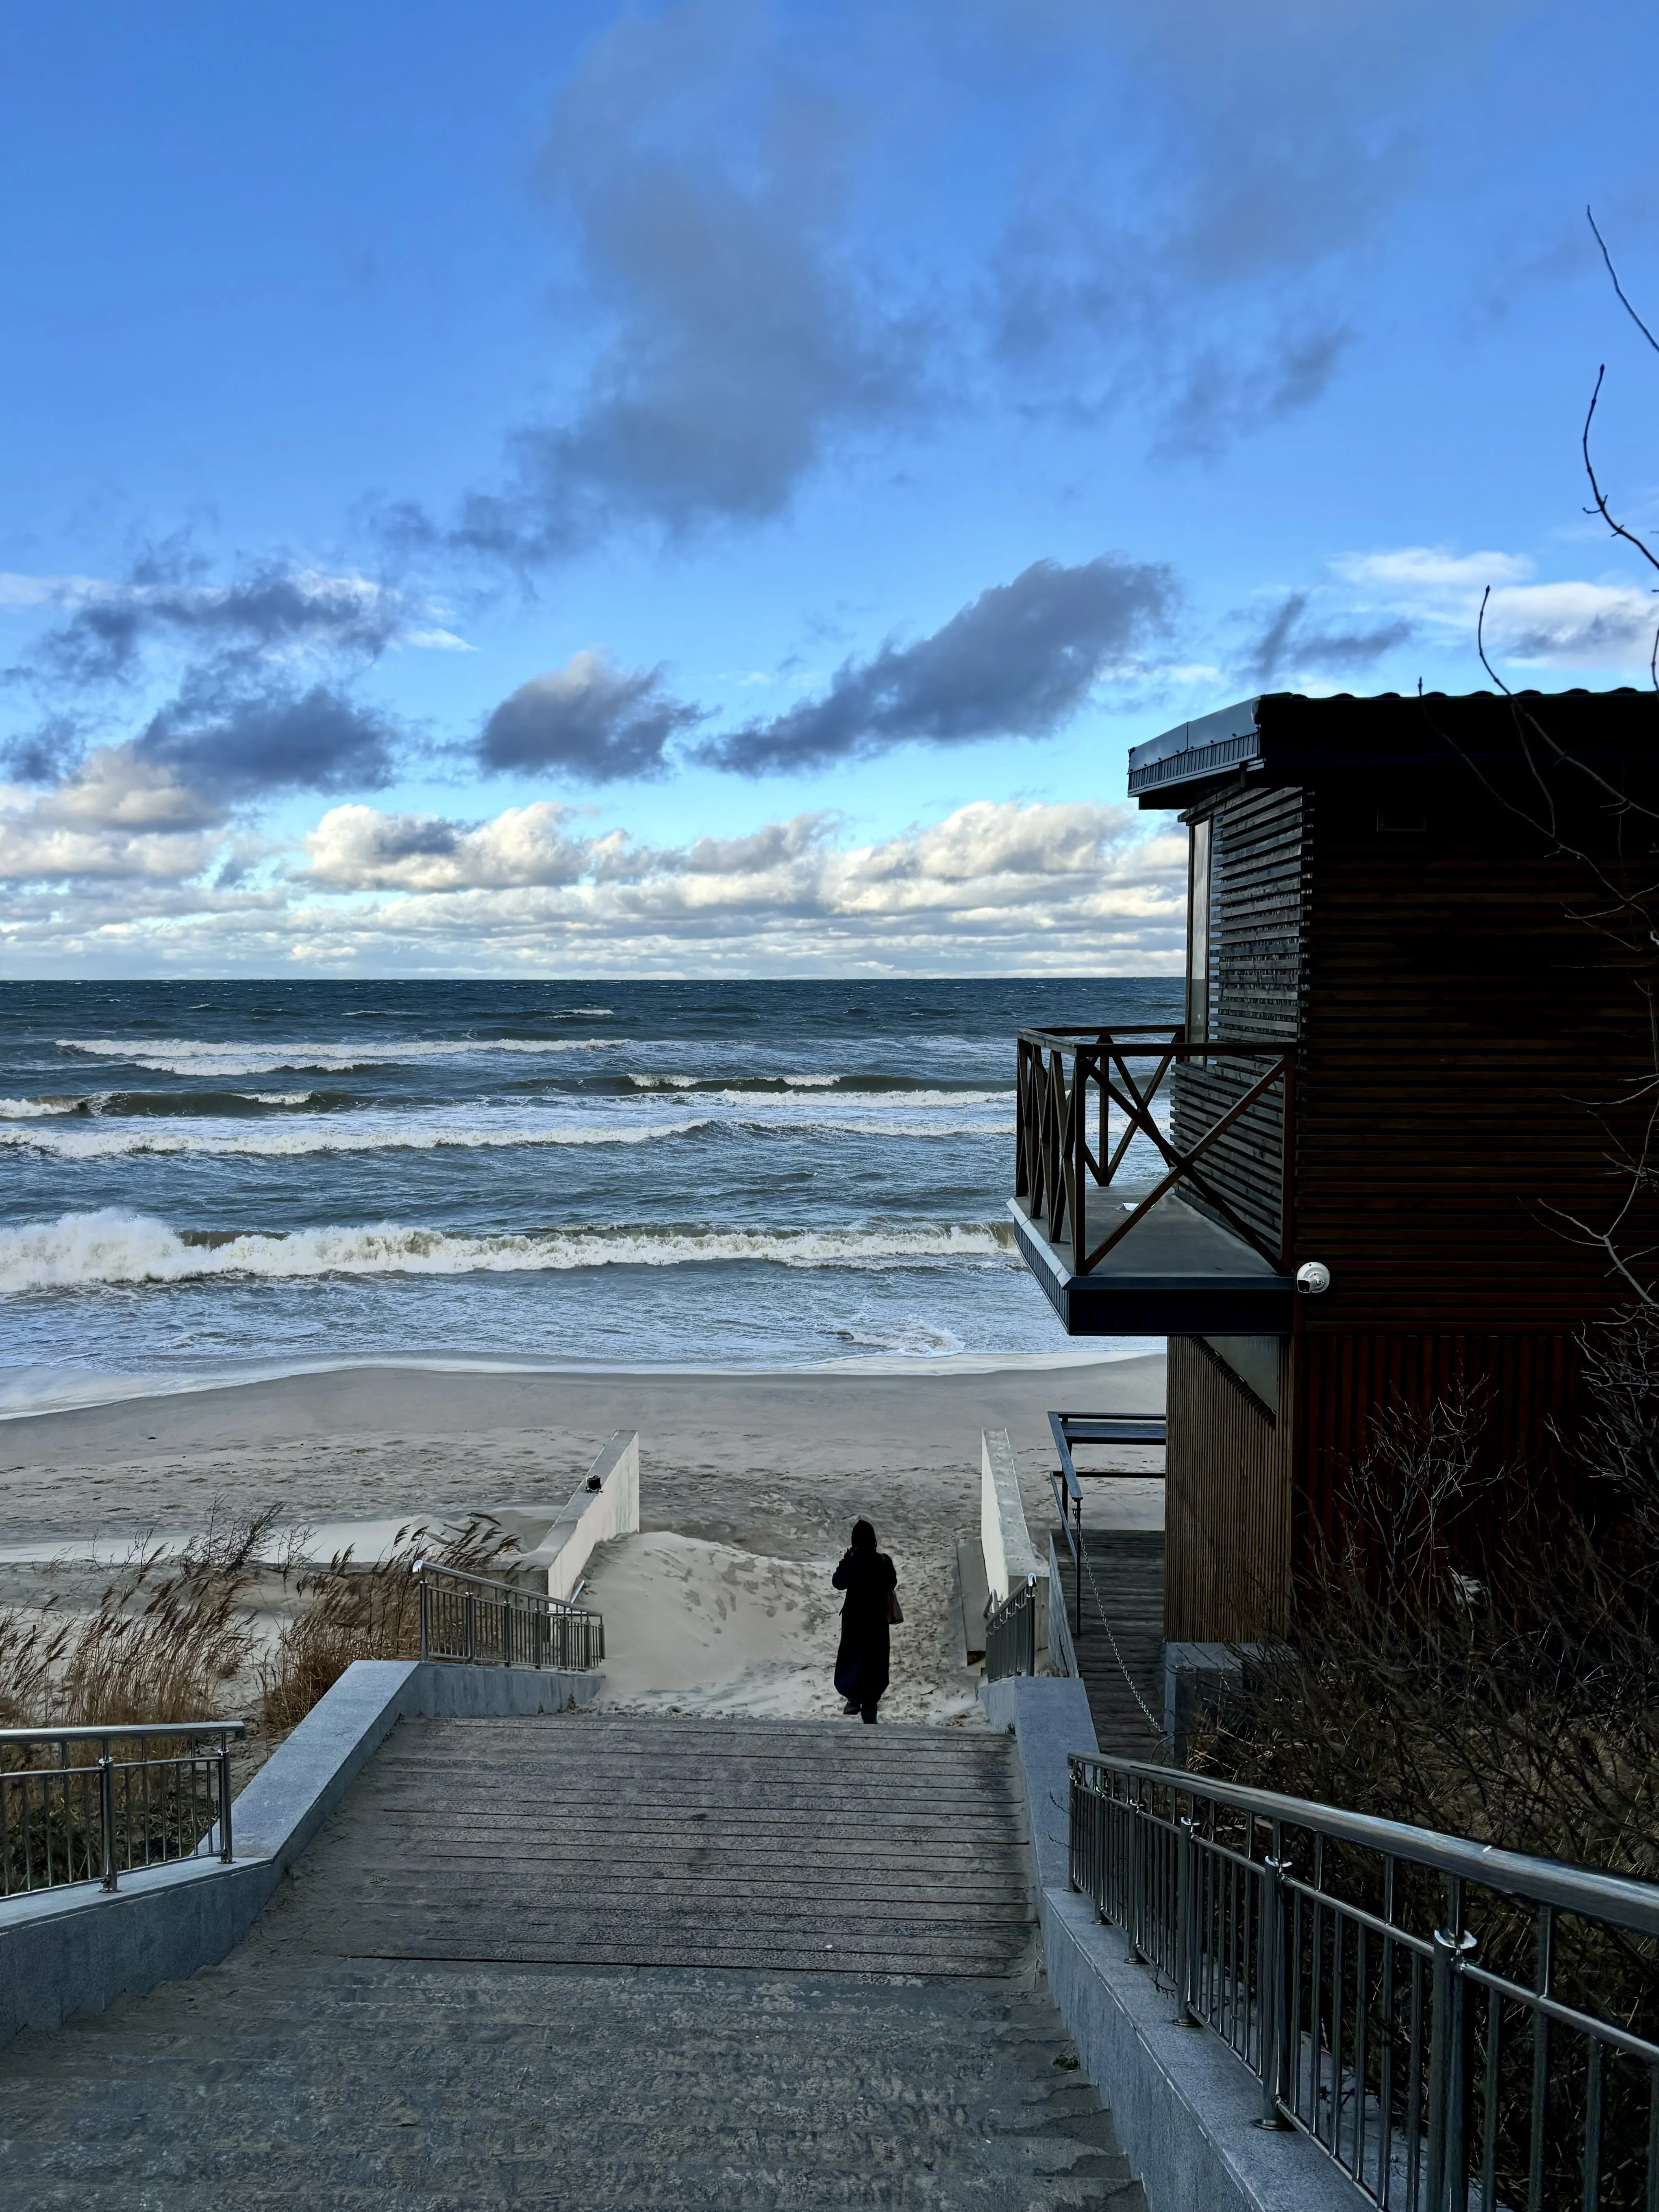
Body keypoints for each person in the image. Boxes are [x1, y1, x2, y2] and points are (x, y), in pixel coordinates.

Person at [831, 1518, 898, 1724]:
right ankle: (870, 1705)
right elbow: (892, 1581)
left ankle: (854, 1696)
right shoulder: (883, 1561)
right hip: (878, 1621)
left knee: (853, 1658)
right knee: (875, 1662)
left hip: (855, 1621)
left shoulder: (854, 1561)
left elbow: (839, 1582)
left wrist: (846, 1561)